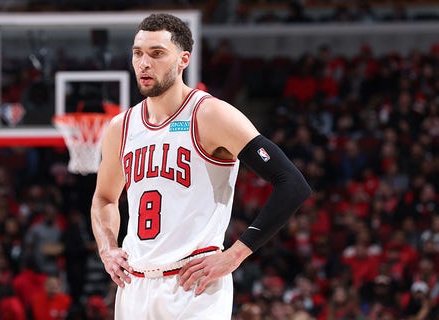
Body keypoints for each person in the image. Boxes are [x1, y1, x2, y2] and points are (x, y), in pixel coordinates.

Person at [90, 13, 312, 319]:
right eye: (138, 53)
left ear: (183, 60)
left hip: (193, 284)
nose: (144, 63)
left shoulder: (211, 115)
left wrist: (236, 255)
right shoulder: (121, 127)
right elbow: (104, 199)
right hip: (134, 286)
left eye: (157, 54)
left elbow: (292, 184)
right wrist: (107, 249)